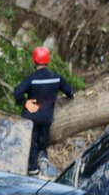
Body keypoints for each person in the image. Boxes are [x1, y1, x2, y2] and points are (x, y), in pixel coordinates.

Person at [13, 46, 76, 176]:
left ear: (34, 61)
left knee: (33, 143)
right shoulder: (55, 77)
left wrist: (25, 102)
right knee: (43, 141)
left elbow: (17, 92)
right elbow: (70, 91)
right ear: (48, 61)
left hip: (31, 118)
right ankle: (44, 157)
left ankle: (32, 170)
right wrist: (70, 94)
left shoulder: (32, 78)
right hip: (47, 118)